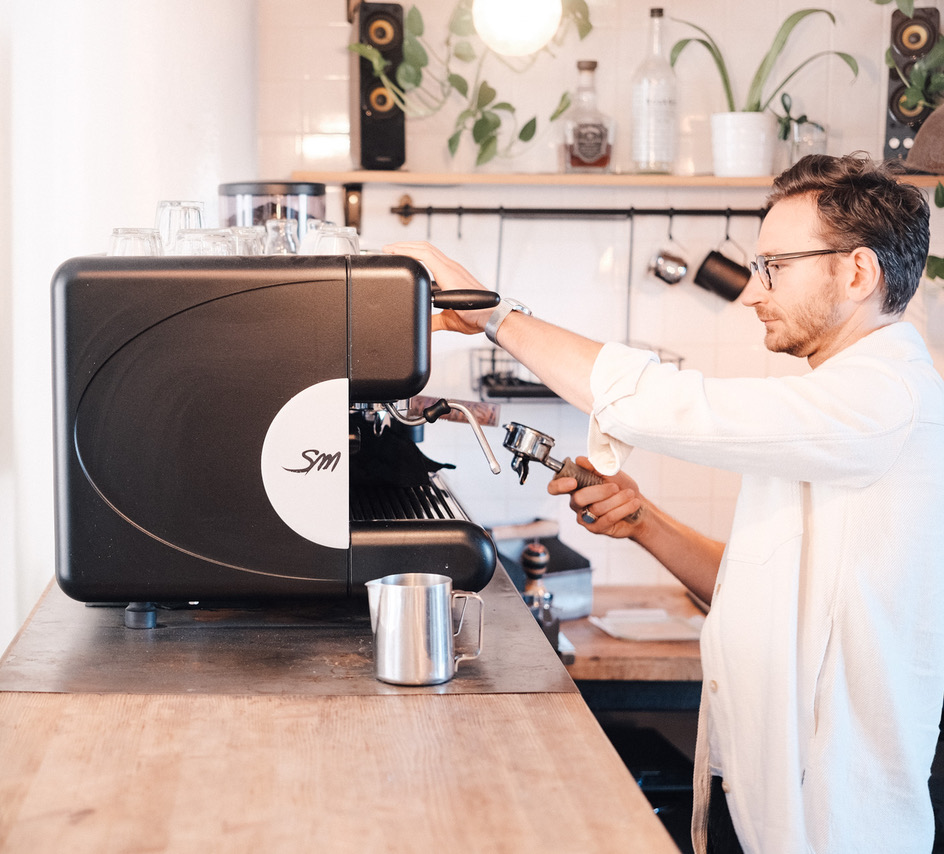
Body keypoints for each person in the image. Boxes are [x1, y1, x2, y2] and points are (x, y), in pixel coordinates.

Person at [387, 153, 944, 854]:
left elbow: (665, 403)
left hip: (833, 829)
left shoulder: (885, 401)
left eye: (775, 267)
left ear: (858, 273)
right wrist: (644, 522)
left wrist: (495, 313)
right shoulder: (840, 406)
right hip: (769, 807)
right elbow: (755, 584)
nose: (753, 293)